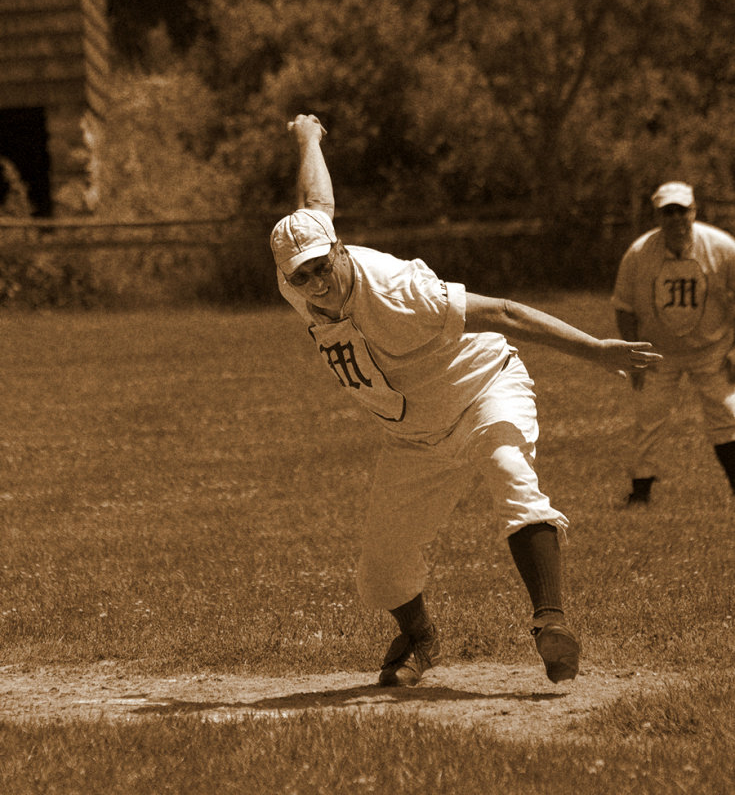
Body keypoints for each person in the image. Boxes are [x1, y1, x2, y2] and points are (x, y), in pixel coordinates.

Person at [271, 113, 661, 688]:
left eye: (321, 268)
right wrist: (308, 137)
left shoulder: (402, 291)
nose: (315, 284)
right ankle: (421, 639)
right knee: (378, 576)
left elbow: (504, 311)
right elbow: (314, 202)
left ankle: (551, 623)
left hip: (482, 388)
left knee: (510, 475)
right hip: (413, 434)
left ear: (341, 252)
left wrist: (596, 349)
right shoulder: (301, 273)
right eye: (300, 277)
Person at [612, 181, 735, 505]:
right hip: (658, 352)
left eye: (682, 211)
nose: (676, 219)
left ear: (694, 212)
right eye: (669, 212)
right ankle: (640, 495)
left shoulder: (722, 247)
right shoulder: (639, 254)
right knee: (648, 418)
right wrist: (632, 354)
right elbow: (624, 307)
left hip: (712, 349)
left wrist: (734, 351)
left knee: (728, 415)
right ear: (658, 216)